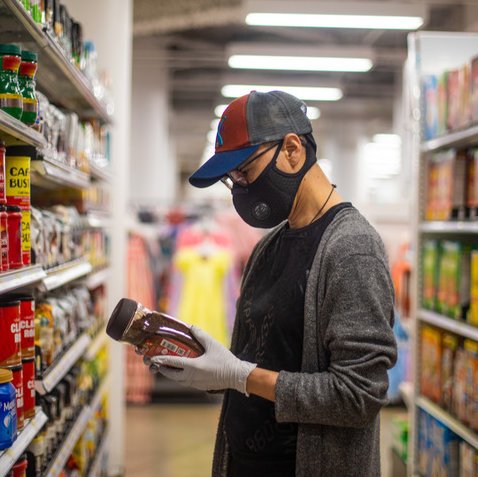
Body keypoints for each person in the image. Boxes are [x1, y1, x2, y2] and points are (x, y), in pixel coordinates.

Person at [146, 90, 397, 477]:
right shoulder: (267, 248)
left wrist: (239, 376)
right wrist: (207, 369)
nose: (241, 187)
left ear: (292, 149)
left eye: (244, 171)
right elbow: (261, 362)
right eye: (232, 180)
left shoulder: (351, 249)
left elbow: (358, 396)